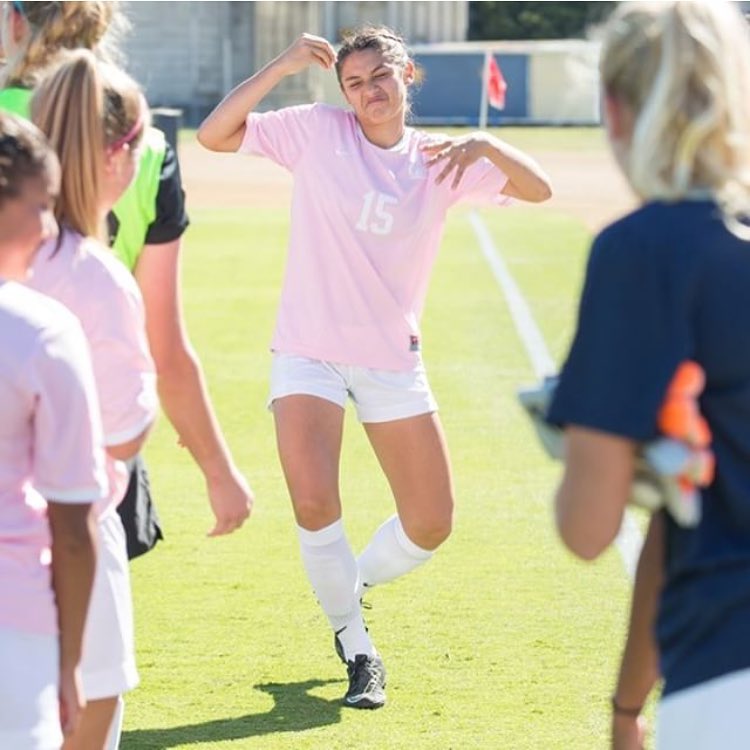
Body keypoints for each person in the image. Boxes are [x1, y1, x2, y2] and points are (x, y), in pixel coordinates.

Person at [198, 26, 552, 708]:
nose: (369, 93)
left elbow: (539, 190)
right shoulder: (316, 130)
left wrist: (486, 144)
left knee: (431, 521)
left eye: (380, 77)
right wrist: (284, 64)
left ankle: (350, 584)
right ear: (342, 93)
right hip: (308, 349)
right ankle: (357, 646)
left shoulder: (440, 159)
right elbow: (215, 134)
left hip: (391, 358)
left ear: (407, 73)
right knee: (313, 502)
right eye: (354, 84)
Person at [546, 1, 750, 747]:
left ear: (615, 108)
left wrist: (597, 445)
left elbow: (588, 528)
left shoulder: (644, 252)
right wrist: (628, 703)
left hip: (728, 669)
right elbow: (685, 515)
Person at [0, 0, 253, 551]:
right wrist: (218, 469)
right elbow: (166, 347)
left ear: (16, 22)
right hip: (97, 444)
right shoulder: (144, 142)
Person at [27, 49, 160, 749]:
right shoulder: (97, 280)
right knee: (90, 718)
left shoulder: (19, 258)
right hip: (72, 538)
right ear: (117, 155)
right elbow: (122, 436)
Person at [0, 112, 105, 749]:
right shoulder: (43, 331)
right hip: (14, 629)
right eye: (41, 205)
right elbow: (73, 525)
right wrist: (69, 663)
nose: (48, 228)